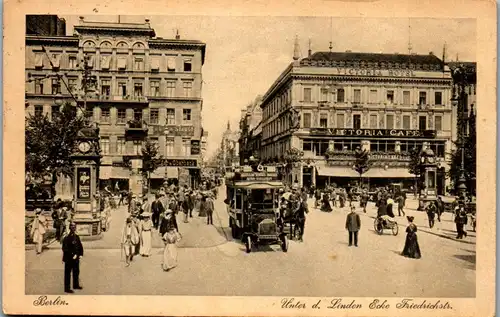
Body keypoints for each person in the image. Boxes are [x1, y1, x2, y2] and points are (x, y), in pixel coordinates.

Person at [62, 222, 84, 293]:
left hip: (76, 258)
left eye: (74, 226)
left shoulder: (76, 236)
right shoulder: (66, 237)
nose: (73, 227)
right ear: (69, 227)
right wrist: (72, 255)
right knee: (67, 273)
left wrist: (80, 254)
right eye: (72, 226)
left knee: (76, 272)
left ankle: (76, 285)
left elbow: (80, 246)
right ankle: (67, 288)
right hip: (68, 258)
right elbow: (65, 248)